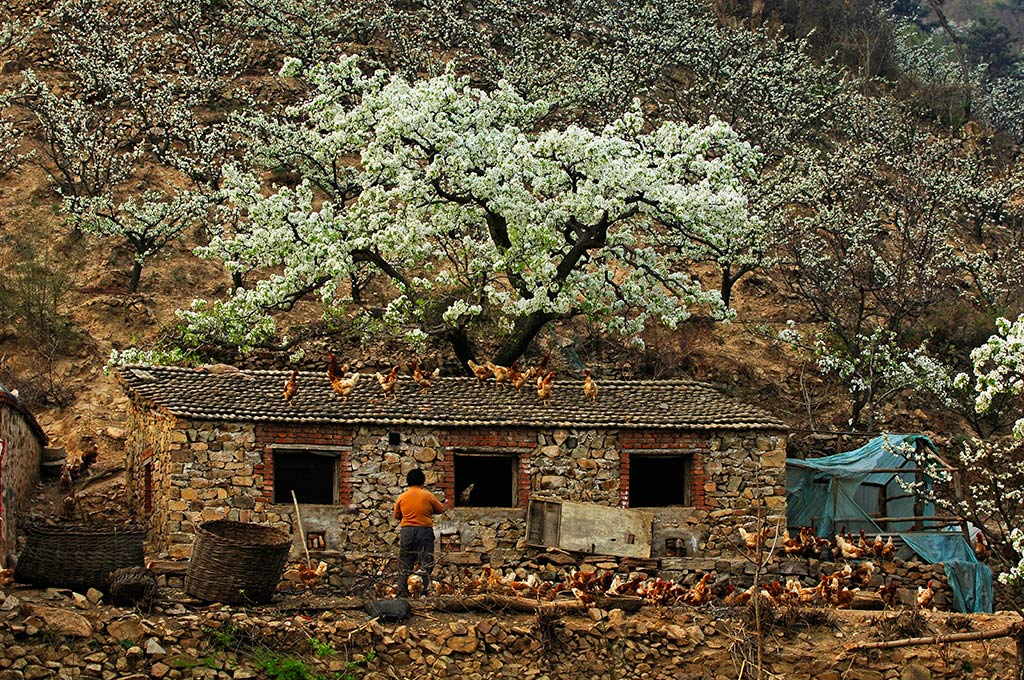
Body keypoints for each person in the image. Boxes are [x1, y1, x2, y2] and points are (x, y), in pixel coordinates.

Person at [393, 468, 444, 598]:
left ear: (408, 482)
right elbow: (440, 509)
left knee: (405, 562)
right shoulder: (427, 495)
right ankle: (423, 592)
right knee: (425, 561)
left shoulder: (402, 497)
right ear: (422, 482)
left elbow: (396, 515)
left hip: (407, 531)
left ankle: (402, 593)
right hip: (424, 531)